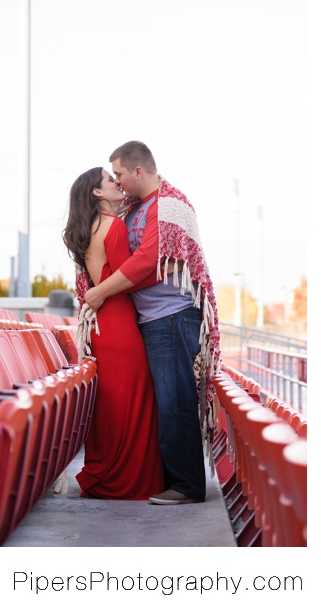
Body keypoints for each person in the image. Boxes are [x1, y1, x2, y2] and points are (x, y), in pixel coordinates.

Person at [83, 141, 220, 505]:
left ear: (138, 171)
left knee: (174, 399)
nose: (118, 181)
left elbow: (148, 262)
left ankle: (186, 486)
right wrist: (125, 280)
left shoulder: (169, 204)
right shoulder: (133, 209)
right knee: (164, 400)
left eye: (120, 174)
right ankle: (169, 478)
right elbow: (150, 263)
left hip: (172, 315)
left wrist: (102, 291)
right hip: (147, 318)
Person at [63, 167, 165, 499]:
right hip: (121, 323)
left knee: (113, 403)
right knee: (134, 400)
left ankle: (108, 472)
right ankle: (127, 480)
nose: (117, 184)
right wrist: (170, 268)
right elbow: (129, 277)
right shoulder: (115, 226)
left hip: (102, 325)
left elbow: (102, 281)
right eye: (110, 180)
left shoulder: (87, 229)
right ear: (97, 193)